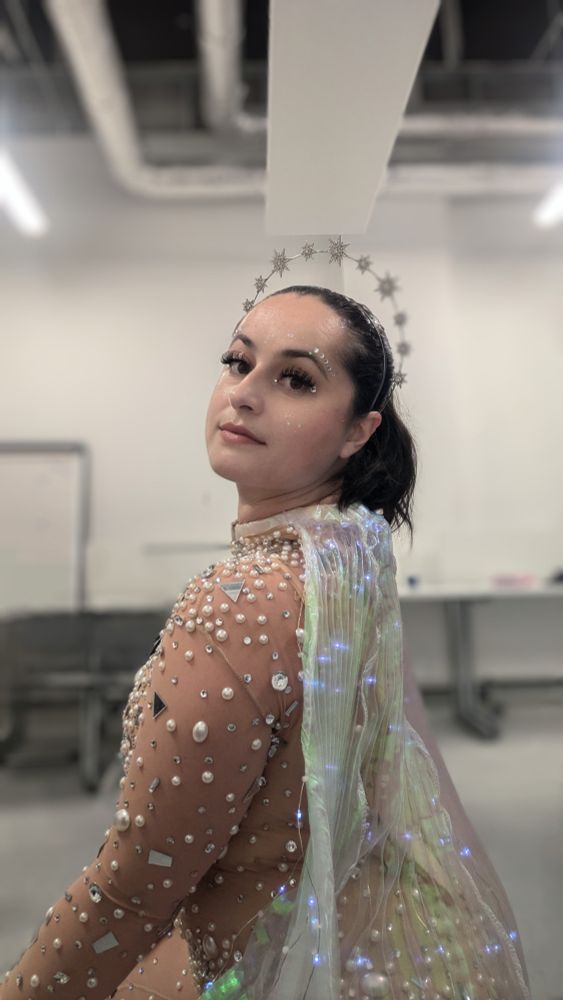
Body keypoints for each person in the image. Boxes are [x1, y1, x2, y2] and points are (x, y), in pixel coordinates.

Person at [0, 287, 531, 1000]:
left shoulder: (241, 601)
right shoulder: (355, 550)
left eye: (295, 378)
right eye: (237, 361)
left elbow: (132, 891)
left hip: (262, 960)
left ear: (356, 431)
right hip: (349, 932)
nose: (243, 394)